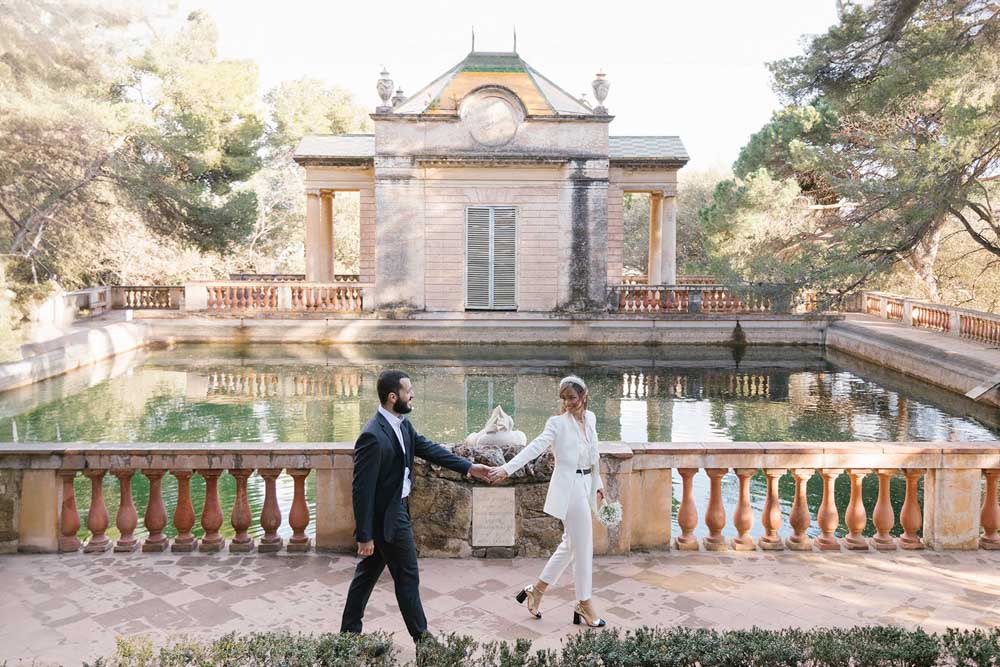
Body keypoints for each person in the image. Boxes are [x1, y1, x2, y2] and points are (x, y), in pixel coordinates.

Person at [341, 369, 491, 643]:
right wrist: (364, 535)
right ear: (391, 397)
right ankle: (424, 642)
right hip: (387, 517)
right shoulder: (372, 436)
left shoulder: (402, 424)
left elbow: (430, 449)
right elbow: (361, 491)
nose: (412, 395)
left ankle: (348, 635)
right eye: (407, 391)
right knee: (408, 576)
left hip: (398, 509)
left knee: (366, 574)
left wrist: (470, 468)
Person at [487, 375, 607, 628]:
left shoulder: (592, 418)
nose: (567, 403)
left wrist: (599, 486)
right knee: (584, 546)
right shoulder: (556, 423)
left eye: (572, 398)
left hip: (587, 485)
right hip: (569, 488)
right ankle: (584, 603)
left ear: (583, 396)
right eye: (563, 398)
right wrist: (507, 469)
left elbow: (593, 455)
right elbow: (534, 448)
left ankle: (537, 590)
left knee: (570, 544)